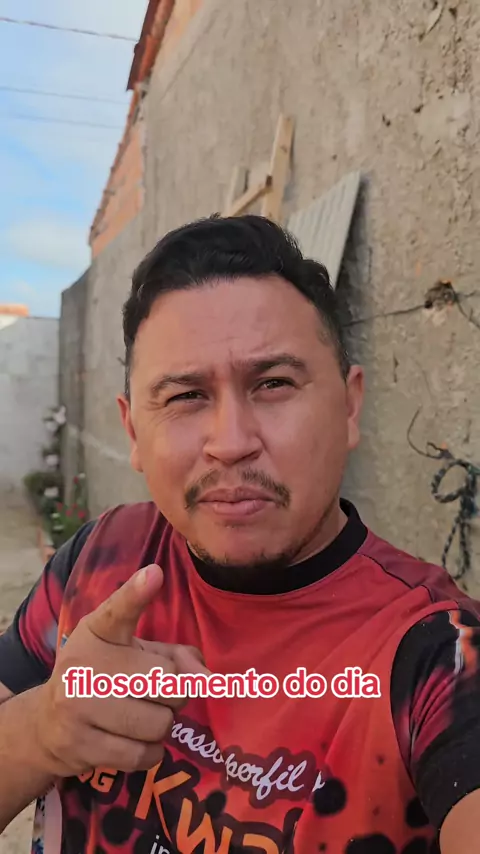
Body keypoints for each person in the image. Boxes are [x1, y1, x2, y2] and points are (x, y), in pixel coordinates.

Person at [0, 215, 479, 854]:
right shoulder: (102, 559)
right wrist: (41, 731)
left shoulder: (438, 656)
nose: (230, 443)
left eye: (273, 384)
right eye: (185, 396)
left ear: (349, 406)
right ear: (133, 431)